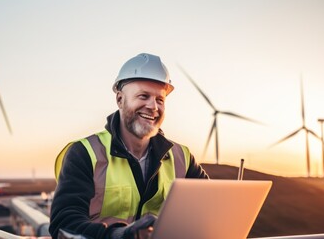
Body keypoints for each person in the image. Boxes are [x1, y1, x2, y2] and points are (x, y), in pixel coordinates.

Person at [49, 53, 209, 239]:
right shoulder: (85, 152)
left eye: (160, 100)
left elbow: (208, 210)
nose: (153, 107)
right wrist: (119, 235)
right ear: (120, 100)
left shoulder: (182, 156)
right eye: (143, 96)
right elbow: (64, 224)